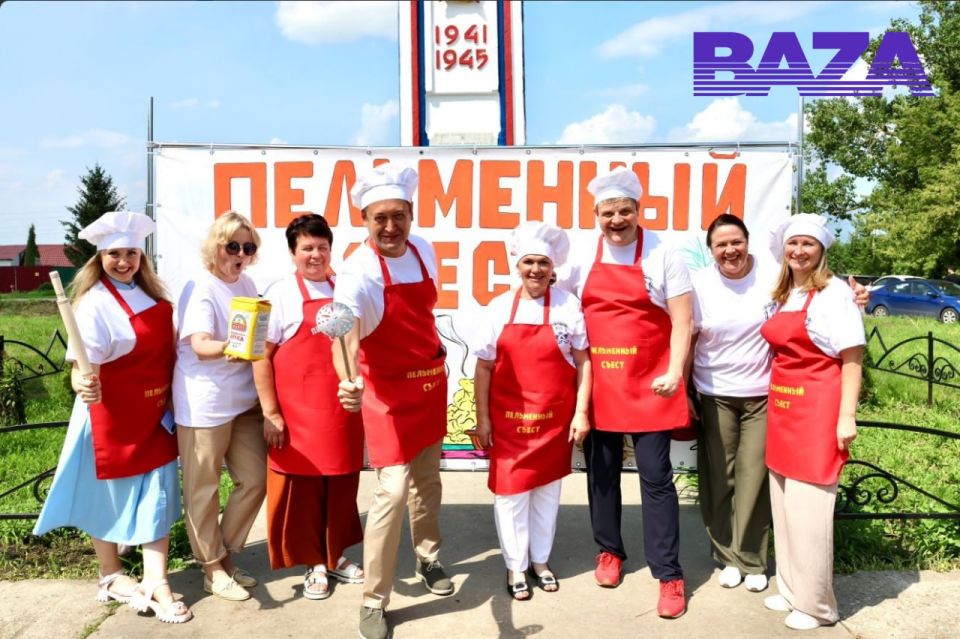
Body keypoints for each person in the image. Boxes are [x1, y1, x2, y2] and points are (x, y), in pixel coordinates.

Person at [689, 214, 870, 594]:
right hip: (714, 390)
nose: (730, 250)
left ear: (747, 241)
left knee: (755, 477)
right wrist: (684, 393)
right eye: (721, 244)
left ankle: (752, 558)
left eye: (736, 241)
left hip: (762, 392)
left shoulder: (775, 275)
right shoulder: (699, 283)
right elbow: (685, 336)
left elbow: (823, 298)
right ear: (711, 250)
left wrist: (857, 300)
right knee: (719, 478)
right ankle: (726, 555)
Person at [34, 211, 191, 624]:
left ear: (142, 256)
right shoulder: (93, 304)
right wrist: (80, 383)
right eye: (114, 254)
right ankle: (111, 574)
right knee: (105, 496)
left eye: (131, 254)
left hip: (155, 413)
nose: (124, 262)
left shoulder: (156, 299)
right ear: (99, 257)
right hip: (109, 416)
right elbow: (80, 366)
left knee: (158, 494)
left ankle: (156, 579)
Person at [557, 166, 691, 618]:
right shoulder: (580, 254)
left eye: (625, 211)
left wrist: (675, 372)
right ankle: (609, 551)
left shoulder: (662, 254)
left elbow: (683, 320)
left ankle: (669, 574)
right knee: (602, 474)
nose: (617, 220)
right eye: (609, 212)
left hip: (652, 383)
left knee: (656, 480)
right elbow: (561, 307)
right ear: (597, 214)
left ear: (639, 210)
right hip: (601, 385)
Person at [334, 164, 452, 639]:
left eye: (398, 216)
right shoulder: (357, 271)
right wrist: (346, 379)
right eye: (379, 217)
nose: (390, 227)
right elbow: (338, 327)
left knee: (428, 481)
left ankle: (428, 558)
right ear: (364, 219)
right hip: (383, 394)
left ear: (411, 215)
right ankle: (374, 599)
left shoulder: (423, 251)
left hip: (427, 385)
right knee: (393, 491)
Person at [472, 222, 592, 601]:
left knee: (547, 492)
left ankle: (540, 561)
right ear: (517, 265)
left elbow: (584, 362)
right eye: (529, 263)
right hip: (508, 422)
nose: (536, 270)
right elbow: (484, 367)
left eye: (543, 263)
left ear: (552, 267)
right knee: (510, 495)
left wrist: (581, 413)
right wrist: (483, 418)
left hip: (554, 420)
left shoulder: (567, 305)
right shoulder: (497, 308)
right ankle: (515, 565)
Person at [759, 213, 864, 631]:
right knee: (783, 506)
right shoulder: (787, 294)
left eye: (808, 244)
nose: (799, 251)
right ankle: (790, 589)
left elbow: (852, 358)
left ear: (821, 250)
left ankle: (818, 606)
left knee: (810, 513)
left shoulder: (834, 294)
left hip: (817, 411)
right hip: (783, 409)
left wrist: (846, 417)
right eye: (793, 244)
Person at [252, 213, 365, 600]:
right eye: (307, 248)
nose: (315, 255)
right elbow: (259, 356)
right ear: (292, 253)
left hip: (341, 409)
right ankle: (313, 562)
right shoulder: (278, 293)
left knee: (341, 483)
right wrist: (271, 412)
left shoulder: (345, 289)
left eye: (322, 247)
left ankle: (336, 556)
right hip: (297, 413)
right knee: (303, 489)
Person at [173, 211, 267, 603]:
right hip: (204, 404)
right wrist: (228, 347)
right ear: (216, 247)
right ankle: (212, 567)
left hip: (243, 401)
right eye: (233, 246)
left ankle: (222, 554)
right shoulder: (202, 287)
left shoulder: (246, 282)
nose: (241, 254)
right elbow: (199, 343)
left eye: (248, 247)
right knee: (203, 488)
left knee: (256, 479)